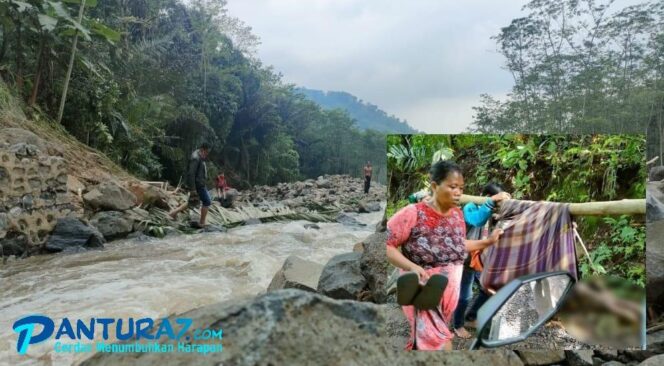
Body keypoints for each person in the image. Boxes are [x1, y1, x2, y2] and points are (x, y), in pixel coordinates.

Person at [385, 160, 503, 350]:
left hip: (447, 296)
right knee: (440, 344)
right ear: (434, 186)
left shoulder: (457, 215)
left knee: (424, 343)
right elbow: (387, 245)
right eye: (453, 186)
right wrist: (412, 267)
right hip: (423, 291)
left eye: (461, 188)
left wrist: (487, 242)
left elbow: (458, 245)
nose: (458, 192)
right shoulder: (413, 213)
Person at [452, 183, 510, 339]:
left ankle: (471, 317)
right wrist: (492, 202)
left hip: (480, 258)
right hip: (465, 259)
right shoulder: (469, 207)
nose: (497, 207)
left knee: (489, 288)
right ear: (485, 196)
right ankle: (457, 325)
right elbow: (477, 220)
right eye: (496, 202)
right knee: (465, 295)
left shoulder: (492, 212)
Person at [169, 143, 212, 228]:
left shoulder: (199, 156)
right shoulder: (196, 158)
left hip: (199, 183)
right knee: (207, 201)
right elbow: (191, 174)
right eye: (206, 152)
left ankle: (173, 213)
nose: (207, 155)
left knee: (192, 202)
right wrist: (193, 189)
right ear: (202, 150)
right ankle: (202, 222)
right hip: (198, 184)